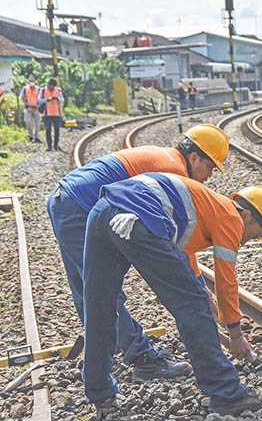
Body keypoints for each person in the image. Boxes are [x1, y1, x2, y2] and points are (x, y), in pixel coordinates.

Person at [83, 177, 262, 416]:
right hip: (138, 220)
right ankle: (226, 392)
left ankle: (100, 391)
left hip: (103, 210)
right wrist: (235, 333)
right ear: (248, 215)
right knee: (192, 305)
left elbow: (181, 259)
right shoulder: (231, 217)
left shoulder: (206, 207)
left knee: (100, 305)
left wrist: (203, 295)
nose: (249, 240)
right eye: (256, 234)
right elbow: (225, 280)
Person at [47, 124, 229, 380]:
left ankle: (103, 355)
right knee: (104, 292)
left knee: (86, 290)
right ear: (194, 157)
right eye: (210, 167)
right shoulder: (175, 171)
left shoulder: (166, 156)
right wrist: (197, 285)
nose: (210, 175)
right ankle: (142, 358)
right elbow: (178, 240)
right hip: (78, 207)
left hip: (64, 199)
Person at [39, 77, 64, 151]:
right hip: (47, 114)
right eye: (50, 86)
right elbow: (39, 100)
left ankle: (56, 146)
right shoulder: (43, 90)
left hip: (57, 114)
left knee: (57, 130)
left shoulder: (58, 90)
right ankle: (49, 146)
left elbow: (62, 99)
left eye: (53, 86)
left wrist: (57, 98)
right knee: (48, 130)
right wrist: (47, 99)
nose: (51, 87)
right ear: (48, 85)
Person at [20, 77, 41, 143]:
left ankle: (36, 137)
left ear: (35, 81)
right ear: (28, 82)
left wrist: (38, 106)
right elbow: (22, 97)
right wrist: (27, 105)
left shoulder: (38, 89)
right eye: (30, 81)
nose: (31, 82)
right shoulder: (25, 88)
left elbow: (40, 98)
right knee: (27, 122)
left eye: (33, 81)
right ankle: (30, 136)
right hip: (27, 108)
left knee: (37, 123)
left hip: (36, 108)